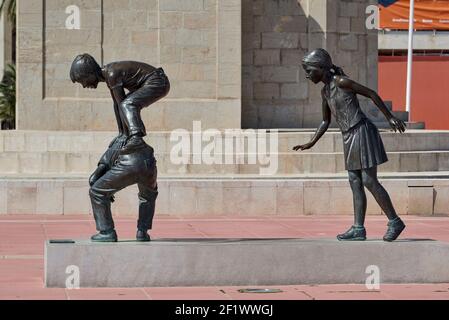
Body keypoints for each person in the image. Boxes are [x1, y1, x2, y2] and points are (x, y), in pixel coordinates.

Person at [294, 48, 406, 242]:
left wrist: (390, 117)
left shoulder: (342, 82)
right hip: (348, 136)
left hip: (362, 131)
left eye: (309, 70)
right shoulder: (325, 91)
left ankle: (395, 221)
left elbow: (371, 93)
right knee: (354, 181)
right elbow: (325, 121)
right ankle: (358, 228)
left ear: (321, 68)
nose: (307, 75)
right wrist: (311, 142)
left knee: (369, 180)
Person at [70, 53, 170, 242]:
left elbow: (121, 104)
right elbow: (117, 106)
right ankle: (142, 231)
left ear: (89, 72)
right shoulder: (110, 76)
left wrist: (130, 135)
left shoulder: (112, 73)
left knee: (129, 103)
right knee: (148, 195)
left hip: (158, 81)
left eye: (83, 80)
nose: (84, 85)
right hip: (148, 162)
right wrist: (123, 134)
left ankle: (107, 232)